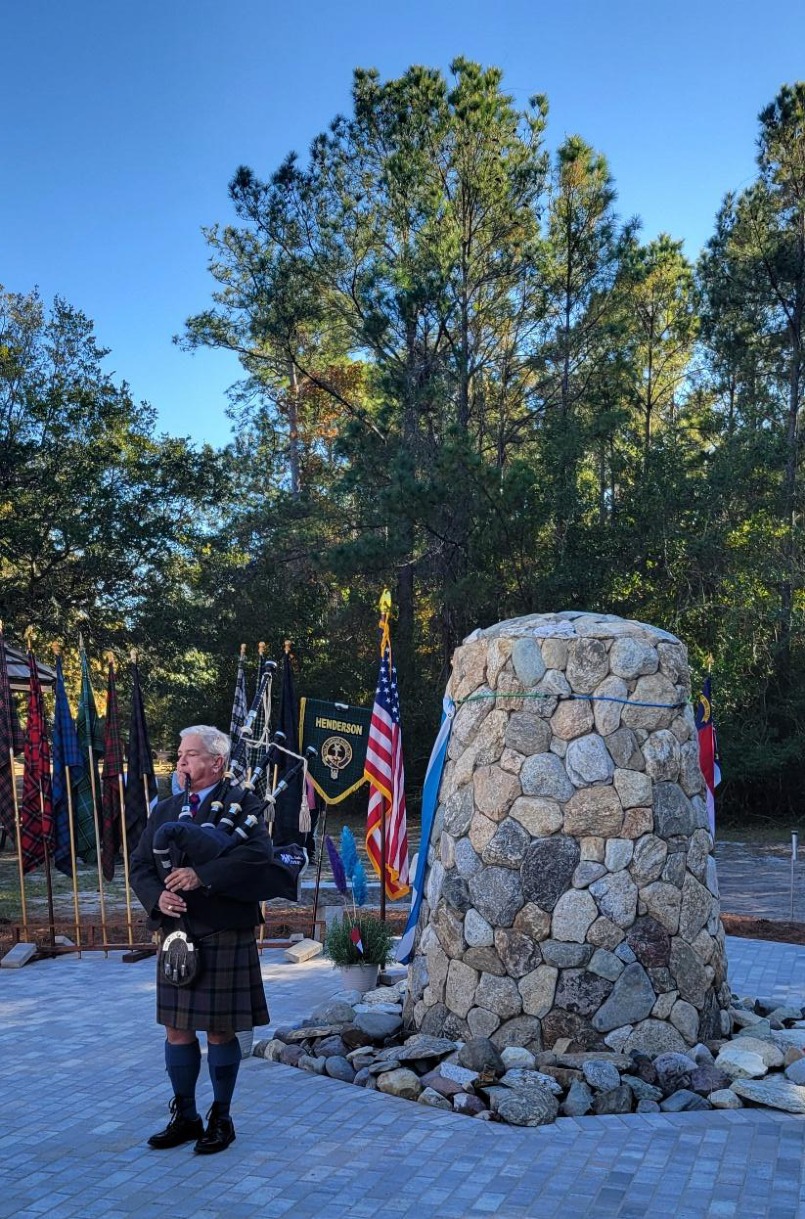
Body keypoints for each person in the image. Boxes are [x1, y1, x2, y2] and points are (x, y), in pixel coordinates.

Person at [129, 724, 274, 1155]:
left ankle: (221, 1117)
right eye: (179, 755)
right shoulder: (168, 808)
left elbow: (256, 857)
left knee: (219, 1030)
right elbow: (139, 864)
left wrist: (201, 875)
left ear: (217, 762)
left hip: (223, 929)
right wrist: (158, 897)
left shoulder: (243, 805)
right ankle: (186, 1115)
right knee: (176, 1029)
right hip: (176, 934)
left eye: (190, 755)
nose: (181, 763)